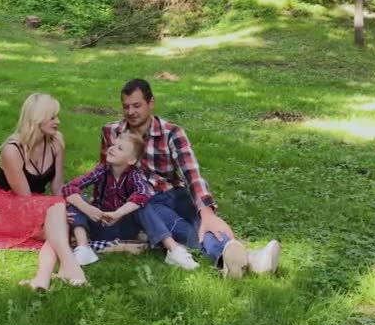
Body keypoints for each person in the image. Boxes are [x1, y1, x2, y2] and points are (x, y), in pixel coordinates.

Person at [100, 79, 281, 278]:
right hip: (146, 201)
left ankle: (239, 258)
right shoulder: (112, 132)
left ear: (151, 103)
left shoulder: (172, 133)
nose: (131, 112)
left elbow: (191, 173)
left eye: (137, 105)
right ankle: (246, 259)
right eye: (126, 107)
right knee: (183, 229)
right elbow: (105, 173)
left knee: (204, 221)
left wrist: (206, 212)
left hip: (175, 193)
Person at [0, 93, 86, 290]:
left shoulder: (56, 142)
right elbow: (25, 199)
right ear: (37, 119)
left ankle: (42, 279)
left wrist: (65, 209)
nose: (58, 121)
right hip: (4, 205)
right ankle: (71, 267)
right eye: (52, 117)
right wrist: (56, 211)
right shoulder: (12, 150)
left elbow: (57, 187)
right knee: (58, 226)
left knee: (59, 227)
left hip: (37, 203)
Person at [62, 132, 153, 266]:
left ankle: (99, 245)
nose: (112, 148)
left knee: (141, 204)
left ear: (131, 160)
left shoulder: (135, 176)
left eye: (119, 148)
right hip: (98, 221)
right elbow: (69, 187)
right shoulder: (102, 170)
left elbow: (143, 194)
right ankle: (83, 247)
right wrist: (88, 209)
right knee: (75, 200)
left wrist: (118, 213)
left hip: (123, 226)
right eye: (113, 145)